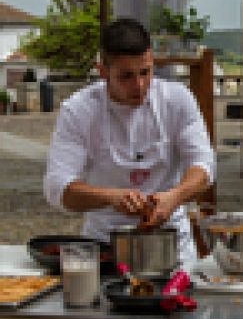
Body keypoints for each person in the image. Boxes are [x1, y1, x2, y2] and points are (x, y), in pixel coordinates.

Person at [44, 18, 215, 262]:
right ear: (103, 71)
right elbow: (57, 188)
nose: (139, 85)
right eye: (126, 76)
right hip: (104, 247)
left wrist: (174, 197)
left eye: (145, 72)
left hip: (171, 245)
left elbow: (204, 165)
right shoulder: (78, 110)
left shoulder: (177, 100)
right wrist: (110, 198)